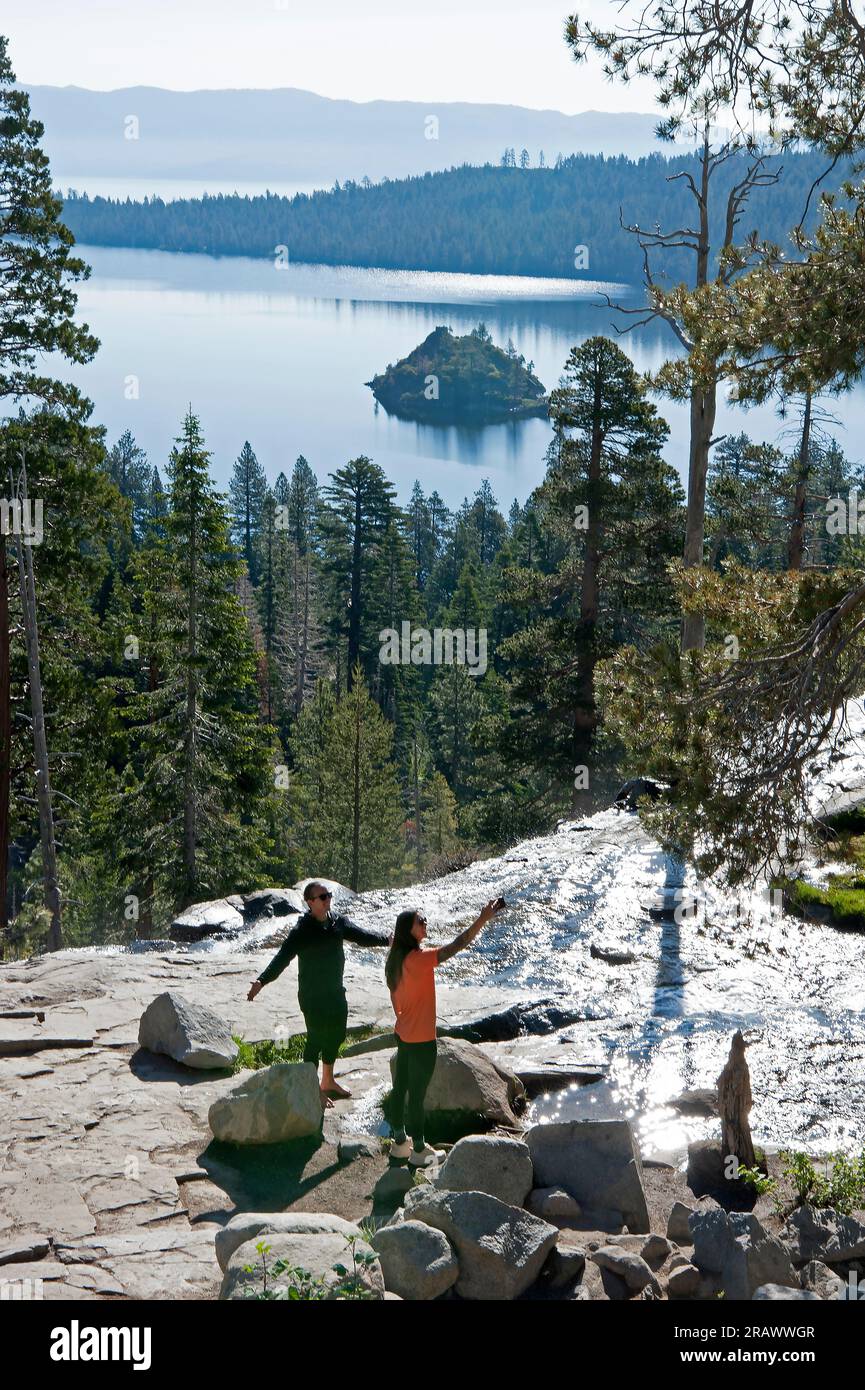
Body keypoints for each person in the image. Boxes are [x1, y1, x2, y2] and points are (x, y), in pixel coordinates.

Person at [247, 881, 389, 1108]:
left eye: (328, 895)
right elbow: (282, 958)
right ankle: (312, 1089)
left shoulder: (337, 922)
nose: (328, 900)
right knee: (316, 1040)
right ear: (310, 902)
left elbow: (361, 936)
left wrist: (386, 940)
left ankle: (328, 1080)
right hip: (312, 996)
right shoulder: (302, 931)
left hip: (335, 992)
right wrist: (262, 981)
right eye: (322, 897)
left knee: (336, 1035)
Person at [385, 898, 504, 1167]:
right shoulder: (420, 960)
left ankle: (399, 1142)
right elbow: (457, 945)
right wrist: (482, 919)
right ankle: (418, 1150)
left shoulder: (394, 960)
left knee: (399, 1087)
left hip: (402, 1035)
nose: (425, 922)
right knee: (416, 1096)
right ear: (409, 930)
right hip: (422, 1041)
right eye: (420, 921)